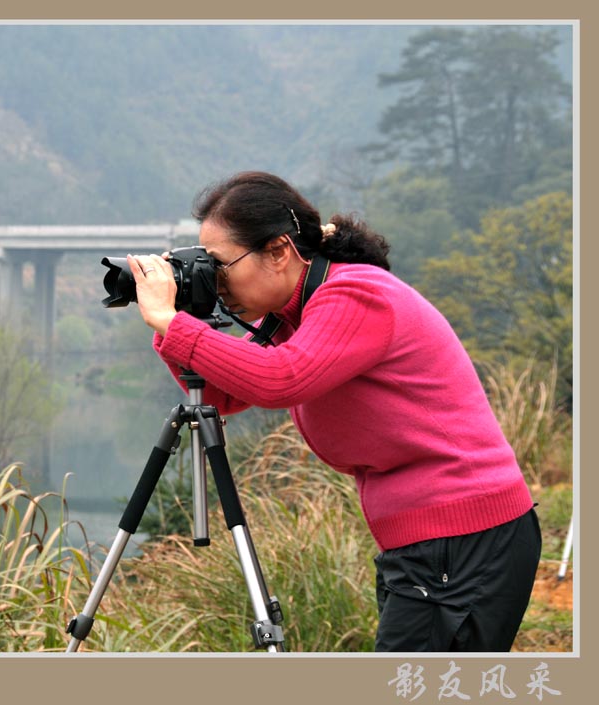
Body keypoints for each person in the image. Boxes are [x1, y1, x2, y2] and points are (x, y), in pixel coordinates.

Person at [125, 170, 541, 652]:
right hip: (434, 540)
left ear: (279, 251)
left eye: (220, 266)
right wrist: (174, 326)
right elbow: (226, 397)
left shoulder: (355, 294)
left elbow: (281, 379)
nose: (215, 282)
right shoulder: (293, 311)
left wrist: (173, 324)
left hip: (465, 534)